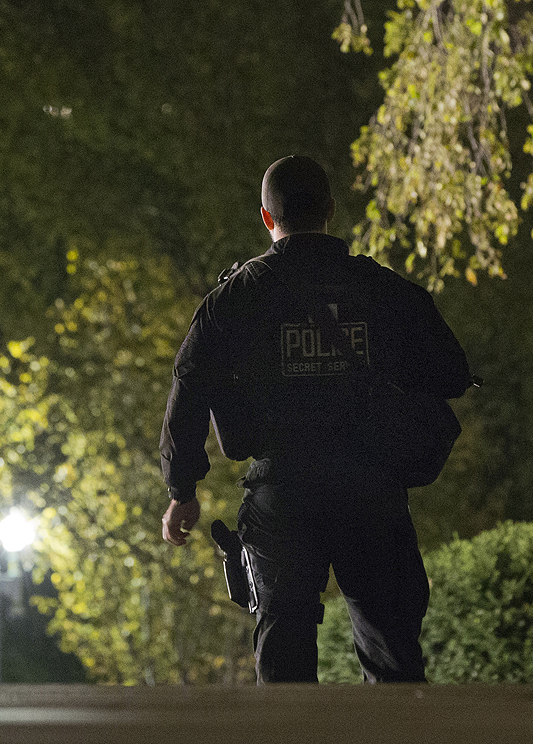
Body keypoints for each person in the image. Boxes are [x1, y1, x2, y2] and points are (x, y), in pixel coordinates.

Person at [159, 155, 471, 683]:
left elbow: (189, 386)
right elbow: (451, 373)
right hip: (372, 493)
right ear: (330, 209)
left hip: (282, 497)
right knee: (394, 661)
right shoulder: (384, 290)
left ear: (266, 217)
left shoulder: (234, 298)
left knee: (283, 666)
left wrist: (182, 488)